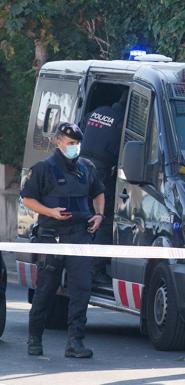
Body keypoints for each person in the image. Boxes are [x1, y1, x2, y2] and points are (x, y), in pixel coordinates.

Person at [21, 122, 105, 358]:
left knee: (81, 289)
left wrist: (99, 214)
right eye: (70, 143)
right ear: (58, 142)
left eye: (77, 144)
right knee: (46, 289)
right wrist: (51, 212)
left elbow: (98, 192)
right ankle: (34, 339)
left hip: (80, 236)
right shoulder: (43, 169)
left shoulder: (87, 167)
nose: (74, 148)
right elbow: (27, 199)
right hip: (52, 237)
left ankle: (75, 342)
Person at [81, 91, 126, 285]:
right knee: (104, 221)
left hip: (80, 168)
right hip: (100, 172)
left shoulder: (96, 112)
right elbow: (120, 153)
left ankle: (78, 269)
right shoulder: (120, 121)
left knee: (84, 218)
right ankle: (94, 271)